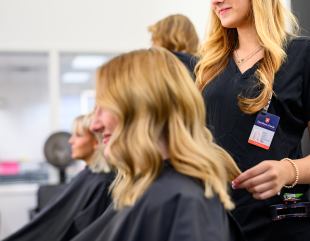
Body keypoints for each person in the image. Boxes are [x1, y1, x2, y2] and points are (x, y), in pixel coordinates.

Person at [195, 0, 310, 241]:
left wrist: (287, 171)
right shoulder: (207, 67)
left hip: (285, 225)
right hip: (220, 225)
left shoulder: (304, 54)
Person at [71, 48, 246, 241]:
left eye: (104, 108)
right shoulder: (150, 189)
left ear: (143, 109)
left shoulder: (182, 200)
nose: (95, 125)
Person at [3, 111, 114, 241]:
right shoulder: (88, 176)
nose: (70, 141)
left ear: (96, 142)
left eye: (78, 135)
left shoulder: (102, 183)